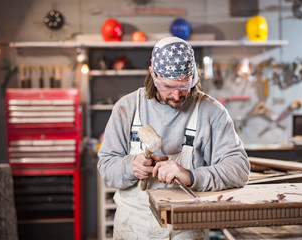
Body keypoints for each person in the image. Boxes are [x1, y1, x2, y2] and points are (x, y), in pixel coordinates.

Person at [97, 36, 250, 240]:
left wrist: (191, 176)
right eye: (168, 87)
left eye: (184, 86)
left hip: (187, 231)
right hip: (133, 229)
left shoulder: (212, 112)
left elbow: (239, 169)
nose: (176, 96)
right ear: (153, 74)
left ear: (194, 76)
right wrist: (130, 167)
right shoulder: (127, 108)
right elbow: (106, 167)